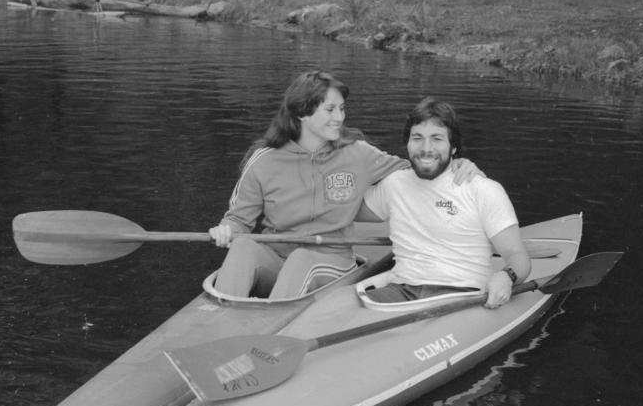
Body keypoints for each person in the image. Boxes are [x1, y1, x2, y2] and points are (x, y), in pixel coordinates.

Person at [207, 71, 480, 300]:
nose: (340, 117)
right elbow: (238, 220)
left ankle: (264, 340)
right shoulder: (264, 160)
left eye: (341, 108)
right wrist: (226, 230)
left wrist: (456, 164)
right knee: (243, 246)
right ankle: (217, 325)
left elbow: (416, 169)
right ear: (302, 113)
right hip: (277, 258)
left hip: (331, 260)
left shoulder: (357, 153)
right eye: (330, 109)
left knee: (302, 260)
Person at [357, 97, 530, 309]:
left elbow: (518, 257)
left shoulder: (483, 189)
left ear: (453, 147)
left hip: (462, 296)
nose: (426, 148)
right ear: (408, 144)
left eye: (437, 139)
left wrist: (506, 277)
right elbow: (345, 211)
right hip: (401, 290)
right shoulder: (394, 184)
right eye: (417, 138)